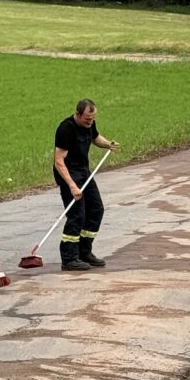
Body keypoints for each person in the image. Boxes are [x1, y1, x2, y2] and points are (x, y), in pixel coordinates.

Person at [53, 99, 118, 271]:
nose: (90, 122)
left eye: (93, 119)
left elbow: (96, 138)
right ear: (78, 114)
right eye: (87, 119)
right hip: (68, 172)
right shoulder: (66, 129)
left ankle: (84, 252)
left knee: (96, 209)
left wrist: (108, 144)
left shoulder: (90, 124)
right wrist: (72, 186)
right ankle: (69, 258)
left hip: (83, 170)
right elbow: (59, 161)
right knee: (77, 214)